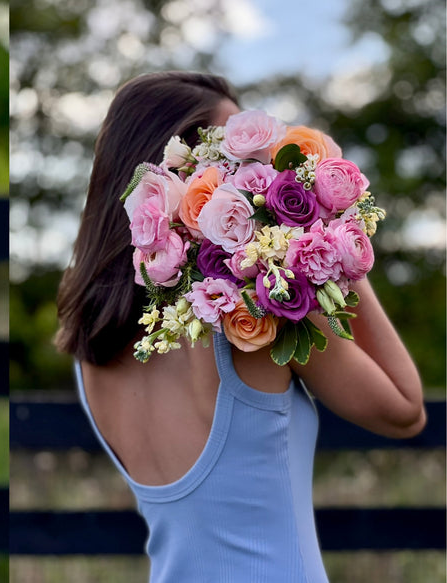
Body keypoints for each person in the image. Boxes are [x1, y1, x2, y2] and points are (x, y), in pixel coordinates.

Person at [54, 71, 425, 582]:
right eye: (232, 154)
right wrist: (335, 239)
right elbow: (405, 410)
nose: (259, 168)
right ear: (182, 170)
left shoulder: (89, 348)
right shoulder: (253, 314)